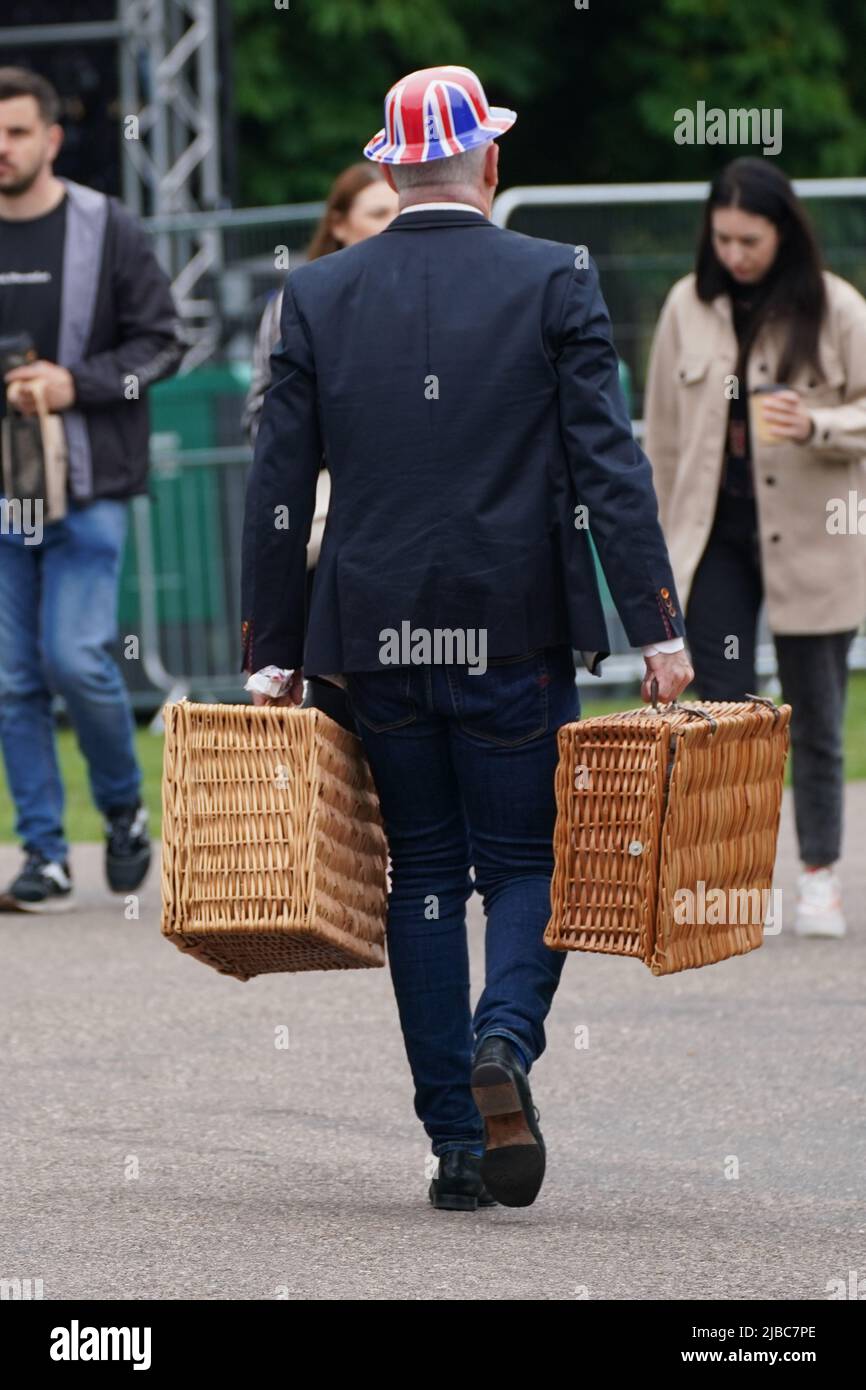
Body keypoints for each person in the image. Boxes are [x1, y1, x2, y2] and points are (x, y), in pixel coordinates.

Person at [240, 65, 692, 1210]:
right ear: (488, 165)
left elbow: (279, 487)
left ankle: (452, 1141)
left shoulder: (320, 293)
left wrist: (272, 650)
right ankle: (505, 1045)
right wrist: (656, 626)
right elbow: (610, 467)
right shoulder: (553, 278)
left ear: (389, 169)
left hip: (373, 634)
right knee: (528, 862)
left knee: (425, 874)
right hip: (513, 628)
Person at [644, 157, 866, 941]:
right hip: (716, 544)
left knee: (817, 714)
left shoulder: (837, 307)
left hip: (816, 540)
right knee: (722, 715)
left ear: (785, 234)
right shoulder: (686, 307)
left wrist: (820, 425)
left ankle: (819, 877)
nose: (736, 253)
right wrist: (662, 553)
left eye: (752, 239)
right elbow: (665, 438)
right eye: (724, 238)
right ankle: (729, 881)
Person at [0, 68, 184, 912]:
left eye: (16, 132)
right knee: (10, 680)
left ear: (50, 138)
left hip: (88, 484)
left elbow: (162, 343)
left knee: (74, 657)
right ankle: (44, 855)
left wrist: (77, 384)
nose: (2, 150)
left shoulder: (104, 225)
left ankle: (121, 810)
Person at [242, 163, 398, 731]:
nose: (390, 225)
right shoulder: (299, 299)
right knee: (339, 691)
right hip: (323, 521)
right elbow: (263, 414)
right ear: (338, 225)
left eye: (396, 211)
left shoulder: (414, 293)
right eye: (376, 213)